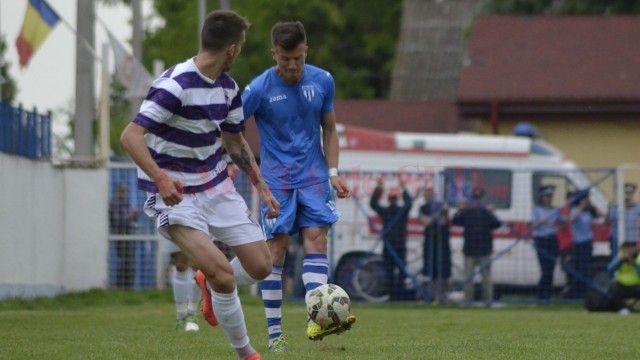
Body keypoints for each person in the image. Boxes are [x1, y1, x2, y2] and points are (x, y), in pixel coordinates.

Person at [120, 10, 279, 360]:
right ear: (232, 49)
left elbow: (235, 143)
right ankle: (246, 353)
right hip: (175, 196)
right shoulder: (175, 84)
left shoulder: (228, 88)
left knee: (261, 266)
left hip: (215, 185)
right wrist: (160, 178)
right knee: (224, 275)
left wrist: (262, 188)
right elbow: (130, 136)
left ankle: (205, 282)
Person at [241, 21, 354, 351]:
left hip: (315, 176)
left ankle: (316, 321)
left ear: (306, 51)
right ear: (274, 53)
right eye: (285, 59)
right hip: (276, 181)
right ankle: (275, 336)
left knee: (317, 242)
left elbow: (329, 130)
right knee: (275, 252)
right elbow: (230, 129)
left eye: (298, 59)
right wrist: (252, 174)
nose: (292, 66)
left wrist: (333, 171)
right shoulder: (259, 88)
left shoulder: (323, 81)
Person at [452, 187, 501, 303]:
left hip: (484, 250)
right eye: (475, 198)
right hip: (469, 250)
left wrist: (491, 212)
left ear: (482, 199)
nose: (477, 201)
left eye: (478, 198)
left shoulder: (486, 212)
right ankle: (468, 300)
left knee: (486, 278)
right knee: (468, 277)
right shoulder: (467, 211)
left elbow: (497, 224)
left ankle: (488, 300)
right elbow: (455, 221)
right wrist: (460, 209)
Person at [370, 179, 413, 301]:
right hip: (389, 245)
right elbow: (373, 204)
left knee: (401, 272)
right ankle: (391, 295)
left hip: (399, 245)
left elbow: (409, 202)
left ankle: (399, 295)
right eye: (392, 199)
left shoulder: (401, 211)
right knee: (389, 272)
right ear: (389, 200)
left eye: (394, 198)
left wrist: (404, 189)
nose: (393, 201)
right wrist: (378, 189)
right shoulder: (386, 211)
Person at [531, 185, 566, 302]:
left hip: (552, 239)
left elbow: (563, 221)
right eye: (546, 196)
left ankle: (547, 296)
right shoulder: (536, 210)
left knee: (551, 269)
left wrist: (558, 228)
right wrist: (541, 221)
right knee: (545, 269)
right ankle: (541, 295)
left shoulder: (554, 210)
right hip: (541, 240)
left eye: (550, 196)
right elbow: (531, 226)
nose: (549, 199)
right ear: (542, 197)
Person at [567, 189, 603, 299]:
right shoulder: (574, 210)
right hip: (578, 243)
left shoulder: (588, 211)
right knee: (579, 269)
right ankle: (575, 293)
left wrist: (591, 204)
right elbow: (571, 219)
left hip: (587, 242)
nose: (586, 201)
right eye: (584, 199)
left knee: (587, 269)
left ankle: (585, 293)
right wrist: (580, 207)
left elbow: (600, 214)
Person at [419, 187, 451, 304]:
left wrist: (435, 217)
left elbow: (443, 221)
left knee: (444, 272)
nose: (427, 197)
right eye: (425, 195)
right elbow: (424, 222)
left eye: (429, 195)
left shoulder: (442, 206)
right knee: (432, 273)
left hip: (442, 242)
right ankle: (435, 297)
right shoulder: (423, 208)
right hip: (430, 242)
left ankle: (444, 296)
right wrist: (436, 216)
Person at [109, 183, 141, 289]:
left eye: (124, 191)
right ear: (116, 192)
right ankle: (122, 287)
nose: (123, 193)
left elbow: (128, 219)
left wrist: (134, 216)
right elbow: (117, 220)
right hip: (121, 235)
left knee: (129, 262)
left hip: (128, 235)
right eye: (121, 191)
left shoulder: (126, 204)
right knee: (126, 262)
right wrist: (131, 216)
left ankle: (128, 287)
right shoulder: (114, 204)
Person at [607, 241, 640, 315]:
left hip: (636, 286)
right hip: (622, 285)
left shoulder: (638, 258)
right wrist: (620, 261)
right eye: (625, 250)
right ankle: (622, 308)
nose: (627, 252)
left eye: (629, 250)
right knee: (613, 287)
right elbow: (610, 269)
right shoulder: (620, 257)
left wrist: (634, 264)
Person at [607, 183, 640, 250]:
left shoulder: (637, 208)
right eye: (626, 193)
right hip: (616, 239)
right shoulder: (615, 207)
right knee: (616, 259)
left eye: (629, 194)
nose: (627, 196)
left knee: (630, 259)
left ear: (632, 195)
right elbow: (607, 222)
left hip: (631, 240)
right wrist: (609, 209)